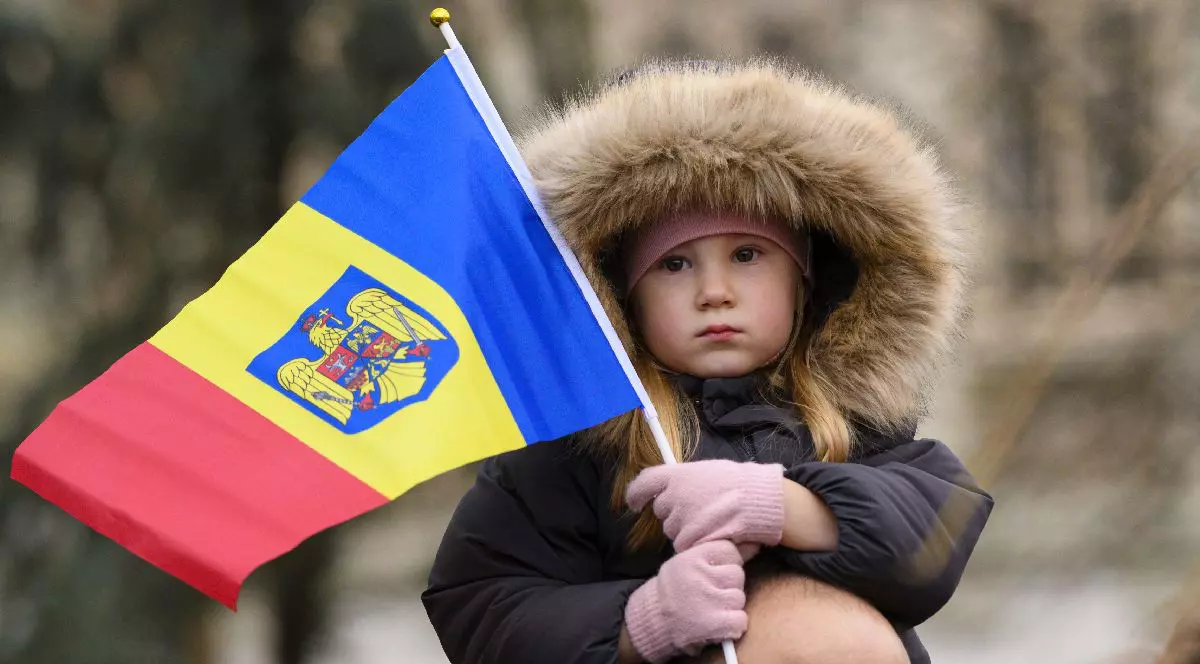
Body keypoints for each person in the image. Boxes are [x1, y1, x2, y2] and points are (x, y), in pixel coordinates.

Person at [422, 58, 994, 664]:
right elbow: (479, 603)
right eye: (674, 264)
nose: (714, 291)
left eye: (747, 255)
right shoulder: (576, 448)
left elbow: (935, 534)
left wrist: (782, 506)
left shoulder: (850, 425)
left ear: (804, 282)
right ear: (621, 298)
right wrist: (639, 621)